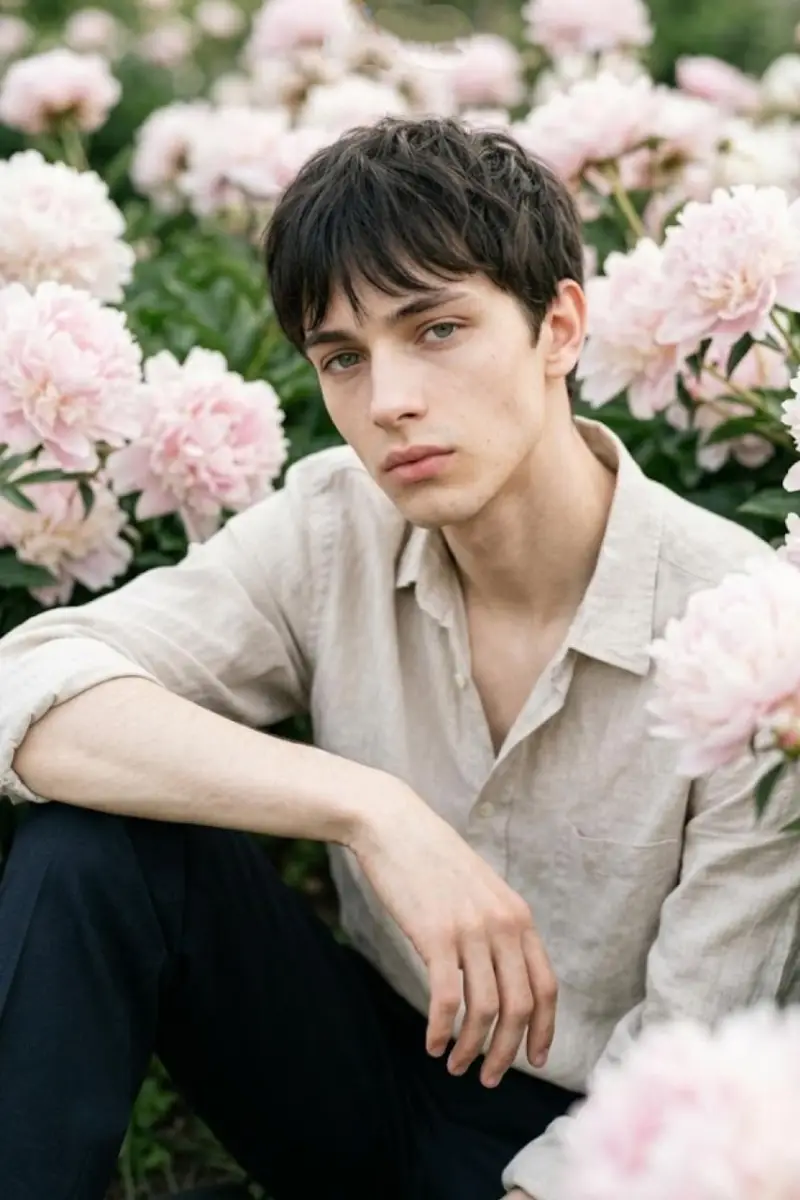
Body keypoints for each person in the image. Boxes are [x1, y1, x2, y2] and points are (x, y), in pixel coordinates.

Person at [0, 115, 797, 1200]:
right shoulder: (334, 525)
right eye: (341, 357)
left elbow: (697, 1067)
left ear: (558, 325)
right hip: (368, 1076)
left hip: (610, 1141)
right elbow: (32, 686)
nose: (388, 403)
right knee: (96, 846)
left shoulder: (753, 632)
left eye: (434, 330)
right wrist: (372, 809)